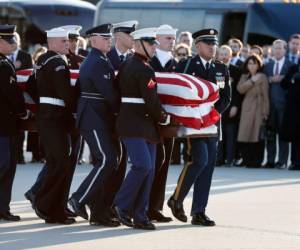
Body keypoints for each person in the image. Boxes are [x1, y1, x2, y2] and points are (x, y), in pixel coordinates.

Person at [168, 28, 231, 226]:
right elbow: (178, 92)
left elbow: (226, 97)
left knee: (208, 166)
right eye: (208, 44)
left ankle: (198, 211)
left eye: (215, 44)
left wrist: (212, 115)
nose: (213, 47)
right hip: (192, 124)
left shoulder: (221, 68)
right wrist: (195, 115)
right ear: (198, 46)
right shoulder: (186, 65)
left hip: (212, 123)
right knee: (199, 159)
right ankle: (177, 199)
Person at [113, 27, 170, 230]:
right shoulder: (144, 68)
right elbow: (151, 100)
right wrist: (164, 116)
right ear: (139, 44)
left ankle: (140, 215)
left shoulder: (128, 63)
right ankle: (121, 204)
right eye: (151, 43)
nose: (155, 47)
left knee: (150, 169)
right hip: (136, 124)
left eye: (155, 43)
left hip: (141, 125)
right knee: (143, 166)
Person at [68, 24, 120, 227]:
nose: (109, 41)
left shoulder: (100, 59)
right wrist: (122, 112)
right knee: (108, 159)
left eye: (109, 38)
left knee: (109, 161)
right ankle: (78, 199)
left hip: (97, 116)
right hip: (93, 117)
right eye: (105, 38)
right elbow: (110, 93)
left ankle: (96, 208)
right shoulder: (97, 61)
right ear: (93, 40)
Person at [33, 27, 77, 224]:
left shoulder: (42, 60)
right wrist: (76, 110)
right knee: (61, 163)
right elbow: (65, 93)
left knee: (56, 163)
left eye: (67, 41)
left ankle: (52, 207)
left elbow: (31, 87)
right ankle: (45, 204)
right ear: (51, 43)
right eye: (63, 41)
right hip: (56, 117)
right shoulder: (57, 62)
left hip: (46, 115)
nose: (67, 44)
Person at [148, 24, 177, 223]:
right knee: (149, 163)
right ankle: (140, 205)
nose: (172, 41)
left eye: (173, 38)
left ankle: (155, 207)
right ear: (157, 39)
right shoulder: (149, 61)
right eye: (168, 38)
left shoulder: (177, 63)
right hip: (150, 119)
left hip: (169, 120)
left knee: (164, 162)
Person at [0, 24, 29, 221]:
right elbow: (11, 93)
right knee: (4, 165)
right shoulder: (2, 64)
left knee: (7, 166)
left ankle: (2, 208)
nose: (12, 44)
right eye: (8, 41)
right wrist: (23, 112)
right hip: (4, 124)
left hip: (6, 123)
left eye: (13, 40)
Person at [263, 39, 293, 169]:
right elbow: (263, 83)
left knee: (282, 135)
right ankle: (270, 160)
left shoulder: (291, 65)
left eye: (280, 48)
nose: (277, 50)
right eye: (275, 48)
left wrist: (283, 78)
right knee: (270, 134)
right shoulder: (267, 66)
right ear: (272, 50)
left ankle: (282, 161)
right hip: (269, 105)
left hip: (284, 106)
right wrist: (269, 79)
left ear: (285, 50)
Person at [237, 55, 269, 168]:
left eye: (254, 63)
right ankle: (246, 160)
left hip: (259, 108)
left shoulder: (263, 77)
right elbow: (240, 89)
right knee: (245, 134)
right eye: (250, 63)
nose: (252, 66)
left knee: (257, 136)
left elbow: (266, 95)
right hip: (246, 107)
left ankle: (257, 161)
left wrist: (265, 112)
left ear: (259, 65)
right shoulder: (245, 76)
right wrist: (252, 81)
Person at [9, 32, 33, 164]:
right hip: (8, 98)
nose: (13, 42)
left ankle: (20, 156)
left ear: (18, 42)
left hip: (22, 97)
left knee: (21, 129)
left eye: (15, 40)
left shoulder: (26, 56)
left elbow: (30, 76)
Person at [216, 45, 242, 167]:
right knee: (218, 134)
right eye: (222, 54)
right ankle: (218, 159)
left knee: (230, 134)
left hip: (231, 106)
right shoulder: (214, 68)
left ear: (231, 56)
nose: (224, 56)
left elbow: (237, 91)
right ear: (218, 55)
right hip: (218, 105)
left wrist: (235, 106)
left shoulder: (236, 70)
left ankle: (230, 159)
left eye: (226, 54)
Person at [281, 63, 300, 170]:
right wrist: (292, 78)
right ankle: (295, 162)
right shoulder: (294, 68)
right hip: (294, 109)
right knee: (295, 136)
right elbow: (283, 84)